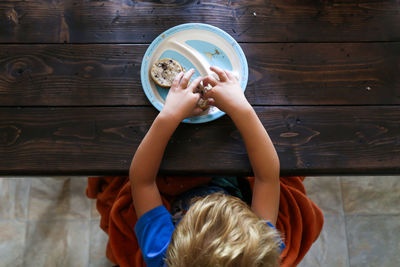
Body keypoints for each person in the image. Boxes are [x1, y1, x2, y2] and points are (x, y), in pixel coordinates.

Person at [129, 66, 284, 267]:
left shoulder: (163, 257)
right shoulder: (258, 250)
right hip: (231, 184)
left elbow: (141, 181)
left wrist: (169, 115)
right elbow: (267, 177)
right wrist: (241, 108)